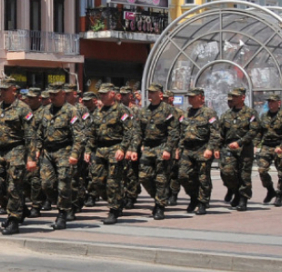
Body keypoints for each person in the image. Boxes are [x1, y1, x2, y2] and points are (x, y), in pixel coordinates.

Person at [0, 77, 35, 236]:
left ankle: (14, 219)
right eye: (1, 90)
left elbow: (30, 135)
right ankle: (18, 209)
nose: (2, 93)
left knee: (14, 185)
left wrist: (31, 158)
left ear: (14, 90)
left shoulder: (23, 109)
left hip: (16, 149)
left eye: (6, 90)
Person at [35, 86, 84, 230]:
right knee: (46, 184)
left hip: (65, 150)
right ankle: (63, 203)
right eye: (51, 95)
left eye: (55, 94)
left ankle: (62, 213)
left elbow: (79, 136)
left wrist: (75, 154)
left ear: (63, 94)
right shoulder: (45, 111)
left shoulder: (71, 111)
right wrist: (37, 149)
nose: (52, 97)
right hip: (48, 152)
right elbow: (39, 133)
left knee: (64, 183)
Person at [85, 83, 134, 225]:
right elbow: (92, 133)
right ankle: (117, 200)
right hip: (100, 150)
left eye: (104, 93)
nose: (101, 96)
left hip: (115, 148)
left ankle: (113, 210)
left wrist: (123, 149)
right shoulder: (98, 112)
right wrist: (88, 150)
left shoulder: (122, 111)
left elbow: (129, 132)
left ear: (112, 94)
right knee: (97, 181)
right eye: (100, 94)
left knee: (113, 181)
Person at [132, 83, 179, 220]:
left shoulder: (168, 111)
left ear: (160, 94)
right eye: (149, 93)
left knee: (161, 178)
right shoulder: (144, 111)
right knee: (144, 177)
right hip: (148, 147)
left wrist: (168, 149)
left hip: (162, 146)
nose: (150, 95)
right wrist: (134, 149)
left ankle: (159, 206)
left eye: (153, 93)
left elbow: (173, 132)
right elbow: (138, 132)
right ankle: (160, 197)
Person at [177, 87, 222, 215]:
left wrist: (210, 148)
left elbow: (215, 133)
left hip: (202, 148)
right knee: (183, 175)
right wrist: (178, 149)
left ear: (201, 98)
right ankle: (193, 197)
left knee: (203, 177)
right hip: (187, 149)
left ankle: (202, 202)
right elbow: (181, 132)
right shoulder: (186, 113)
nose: (190, 99)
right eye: (189, 97)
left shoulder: (209, 113)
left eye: (193, 96)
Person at [217, 87, 259, 212]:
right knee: (227, 172)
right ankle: (235, 191)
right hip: (229, 148)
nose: (233, 99)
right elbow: (220, 133)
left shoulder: (250, 113)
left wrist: (240, 142)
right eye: (232, 97)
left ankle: (243, 199)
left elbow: (253, 131)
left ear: (243, 97)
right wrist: (217, 147)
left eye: (236, 96)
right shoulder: (226, 115)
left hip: (244, 148)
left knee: (244, 175)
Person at [257, 93, 282, 207]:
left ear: (279, 103)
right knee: (262, 170)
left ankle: (280, 194)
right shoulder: (264, 116)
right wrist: (256, 144)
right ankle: (270, 190)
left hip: (279, 146)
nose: (270, 104)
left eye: (273, 102)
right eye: (269, 102)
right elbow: (260, 132)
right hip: (267, 146)